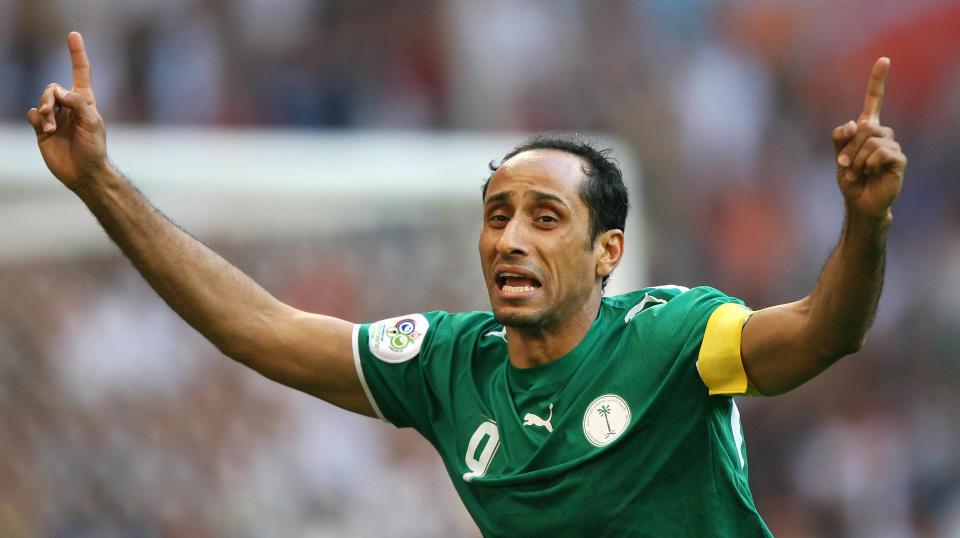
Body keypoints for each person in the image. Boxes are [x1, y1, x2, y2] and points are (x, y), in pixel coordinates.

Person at [28, 32, 906, 536]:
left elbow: (824, 334)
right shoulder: (449, 365)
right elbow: (258, 327)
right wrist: (100, 182)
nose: (511, 239)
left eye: (545, 217)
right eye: (497, 215)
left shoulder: (674, 337)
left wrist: (864, 222)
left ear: (609, 253)